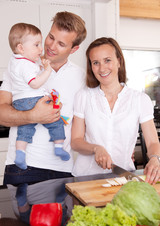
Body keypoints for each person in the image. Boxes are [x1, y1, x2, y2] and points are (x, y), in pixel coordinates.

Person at [0, 11, 87, 185]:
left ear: (74, 49)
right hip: (23, 169)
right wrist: (32, 116)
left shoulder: (82, 77)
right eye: (51, 37)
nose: (51, 46)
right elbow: (1, 112)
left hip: (63, 170)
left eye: (61, 43)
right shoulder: (20, 66)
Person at [71, 37, 160, 185]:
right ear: (91, 67)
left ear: (119, 61)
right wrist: (96, 148)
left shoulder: (139, 99)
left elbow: (152, 142)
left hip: (123, 178)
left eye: (107, 60)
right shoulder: (83, 96)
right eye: (95, 63)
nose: (102, 68)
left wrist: (154, 159)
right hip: (85, 178)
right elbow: (75, 141)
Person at [8, 23, 70, 170]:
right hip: (32, 99)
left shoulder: (16, 61)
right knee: (56, 121)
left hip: (20, 102)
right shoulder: (25, 65)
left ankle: (20, 153)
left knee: (25, 129)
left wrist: (39, 65)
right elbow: (34, 83)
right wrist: (47, 70)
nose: (41, 49)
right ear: (21, 48)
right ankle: (59, 147)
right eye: (36, 45)